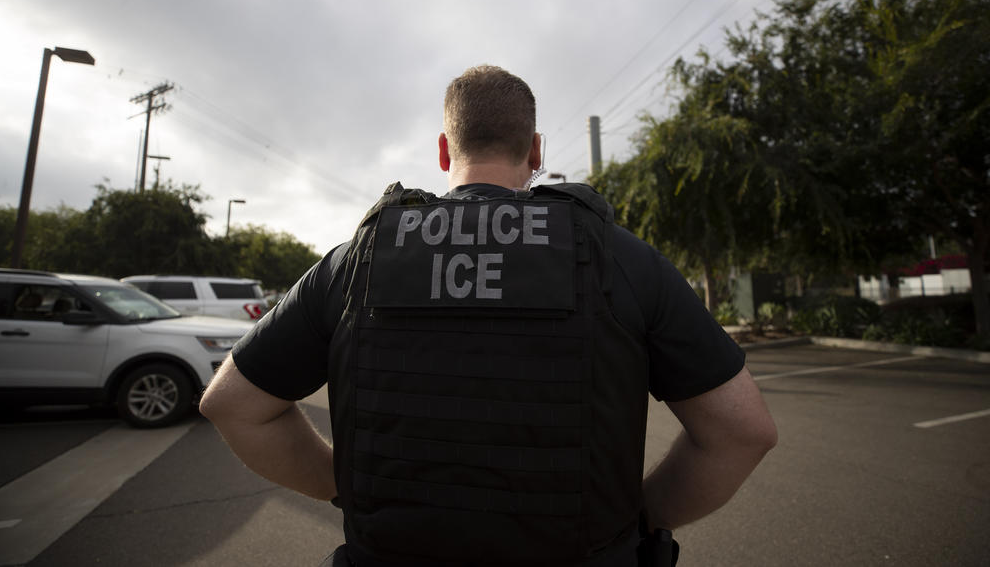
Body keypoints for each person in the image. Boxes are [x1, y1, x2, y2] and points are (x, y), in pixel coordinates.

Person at [200, 64, 777, 567]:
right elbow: (741, 432)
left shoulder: (360, 259)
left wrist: (340, 485)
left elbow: (232, 405)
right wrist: (642, 516)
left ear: (445, 151)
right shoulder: (618, 256)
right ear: (536, 152)